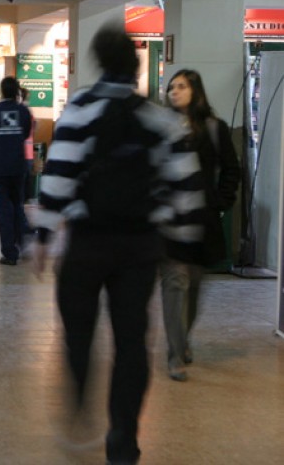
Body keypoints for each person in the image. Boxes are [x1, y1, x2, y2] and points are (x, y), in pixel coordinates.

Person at [32, 24, 201, 465]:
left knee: (79, 333)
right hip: (140, 248)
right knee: (132, 342)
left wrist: (45, 234)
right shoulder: (159, 118)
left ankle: (79, 410)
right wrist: (181, 236)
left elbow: (60, 174)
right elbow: (184, 182)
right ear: (136, 66)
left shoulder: (81, 108)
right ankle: (122, 437)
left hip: (87, 244)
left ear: (99, 62)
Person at [161, 69, 240, 382]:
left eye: (181, 86)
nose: (174, 92)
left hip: (201, 221)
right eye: (171, 87)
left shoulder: (213, 128)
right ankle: (175, 355)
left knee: (193, 287)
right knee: (174, 283)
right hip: (169, 221)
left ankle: (183, 339)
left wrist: (220, 202)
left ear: (196, 91)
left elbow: (231, 169)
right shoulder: (162, 127)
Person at [0, 77, 33, 265]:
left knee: (3, 210)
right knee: (17, 205)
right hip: (19, 166)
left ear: (2, 91)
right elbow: (26, 133)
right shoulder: (23, 111)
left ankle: (9, 252)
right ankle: (22, 241)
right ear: (17, 91)